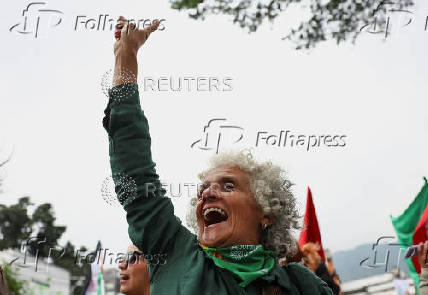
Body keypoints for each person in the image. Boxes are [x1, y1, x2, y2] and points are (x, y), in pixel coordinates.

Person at [103, 15, 333, 295]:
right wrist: (125, 59)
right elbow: (135, 175)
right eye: (202, 190)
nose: (206, 195)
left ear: (266, 213)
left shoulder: (301, 284)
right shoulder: (176, 253)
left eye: (228, 185)